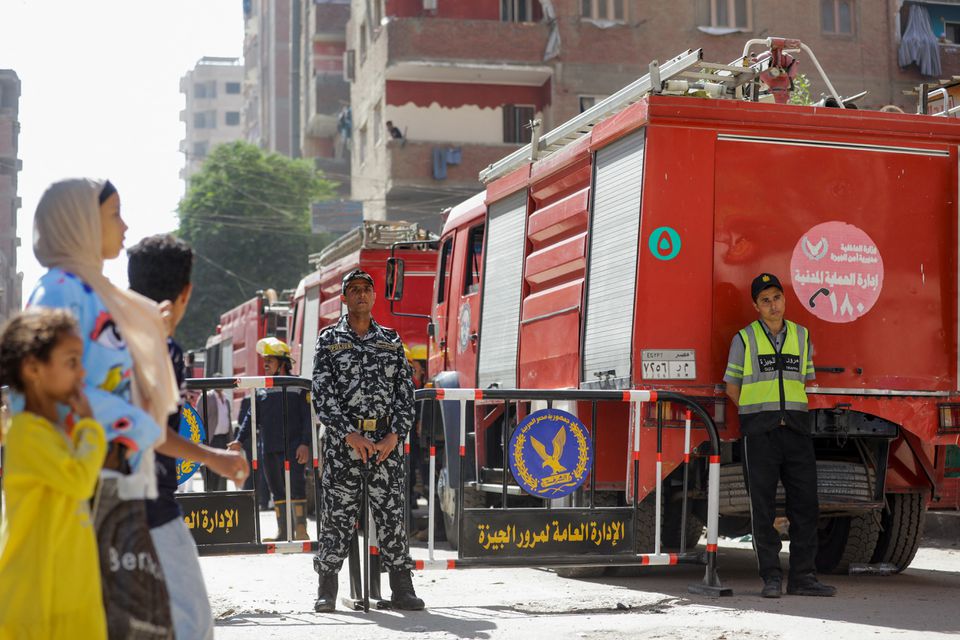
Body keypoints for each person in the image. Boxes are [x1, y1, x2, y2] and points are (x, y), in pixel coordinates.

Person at [27, 178, 181, 635]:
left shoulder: (92, 291)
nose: (125, 225)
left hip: (112, 479)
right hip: (81, 482)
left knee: (131, 621)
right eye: (114, 214)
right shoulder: (58, 292)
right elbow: (51, 388)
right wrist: (139, 426)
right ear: (79, 223)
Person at [128, 233, 250, 640]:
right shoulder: (161, 344)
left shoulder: (103, 331)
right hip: (150, 506)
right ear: (187, 291)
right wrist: (216, 457)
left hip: (98, 504)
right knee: (193, 625)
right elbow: (152, 430)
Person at [312, 268, 423, 612]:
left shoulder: (390, 340)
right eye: (354, 289)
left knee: (391, 516)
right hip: (344, 443)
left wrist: (395, 435)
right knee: (337, 518)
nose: (361, 294)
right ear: (344, 298)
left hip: (385, 444)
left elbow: (406, 392)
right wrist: (348, 433)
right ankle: (327, 589)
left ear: (374, 297)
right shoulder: (329, 339)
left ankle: (402, 588)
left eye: (366, 289)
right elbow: (322, 393)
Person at [724, 273, 836, 599]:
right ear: (756, 306)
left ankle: (803, 577)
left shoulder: (802, 336)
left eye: (777, 298)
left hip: (797, 431)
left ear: (784, 300)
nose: (773, 305)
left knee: (806, 506)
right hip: (760, 433)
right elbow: (732, 387)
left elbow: (805, 380)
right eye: (765, 300)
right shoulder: (744, 339)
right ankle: (771, 578)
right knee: (763, 508)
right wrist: (756, 411)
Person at [0, 308, 108, 638]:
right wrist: (90, 427)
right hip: (37, 601)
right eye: (71, 361)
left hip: (67, 591)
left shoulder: (48, 431)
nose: (81, 372)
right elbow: (79, 481)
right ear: (33, 368)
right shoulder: (27, 433)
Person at [229, 338, 312, 541]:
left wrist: (305, 443)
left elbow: (307, 418)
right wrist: (239, 440)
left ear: (282, 363)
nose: (265, 364)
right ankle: (283, 532)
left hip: (294, 447)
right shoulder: (262, 388)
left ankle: (301, 530)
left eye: (270, 360)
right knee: (276, 488)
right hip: (270, 448)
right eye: (264, 360)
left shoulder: (298, 386)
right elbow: (251, 416)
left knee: (296, 485)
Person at [201, 373, 233, 492]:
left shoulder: (226, 399)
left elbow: (228, 421)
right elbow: (199, 418)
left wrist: (231, 440)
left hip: (223, 440)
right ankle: (209, 497)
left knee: (222, 473)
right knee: (210, 472)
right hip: (211, 440)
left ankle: (219, 500)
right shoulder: (206, 397)